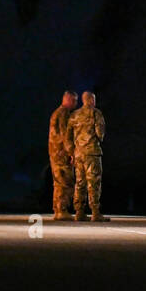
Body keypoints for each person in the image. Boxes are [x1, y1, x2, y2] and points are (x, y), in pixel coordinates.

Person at [69, 91, 107, 221]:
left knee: (80, 182)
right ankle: (95, 212)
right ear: (90, 100)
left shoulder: (74, 115)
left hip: (78, 154)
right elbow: (100, 134)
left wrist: (72, 152)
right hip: (91, 153)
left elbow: (68, 136)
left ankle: (79, 212)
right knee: (94, 182)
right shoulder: (96, 113)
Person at [47, 91, 78, 220]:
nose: (76, 104)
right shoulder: (64, 114)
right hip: (61, 153)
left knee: (58, 181)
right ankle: (62, 210)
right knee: (65, 181)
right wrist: (72, 153)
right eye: (75, 100)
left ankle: (58, 209)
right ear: (69, 100)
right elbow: (66, 136)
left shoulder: (56, 113)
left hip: (55, 152)